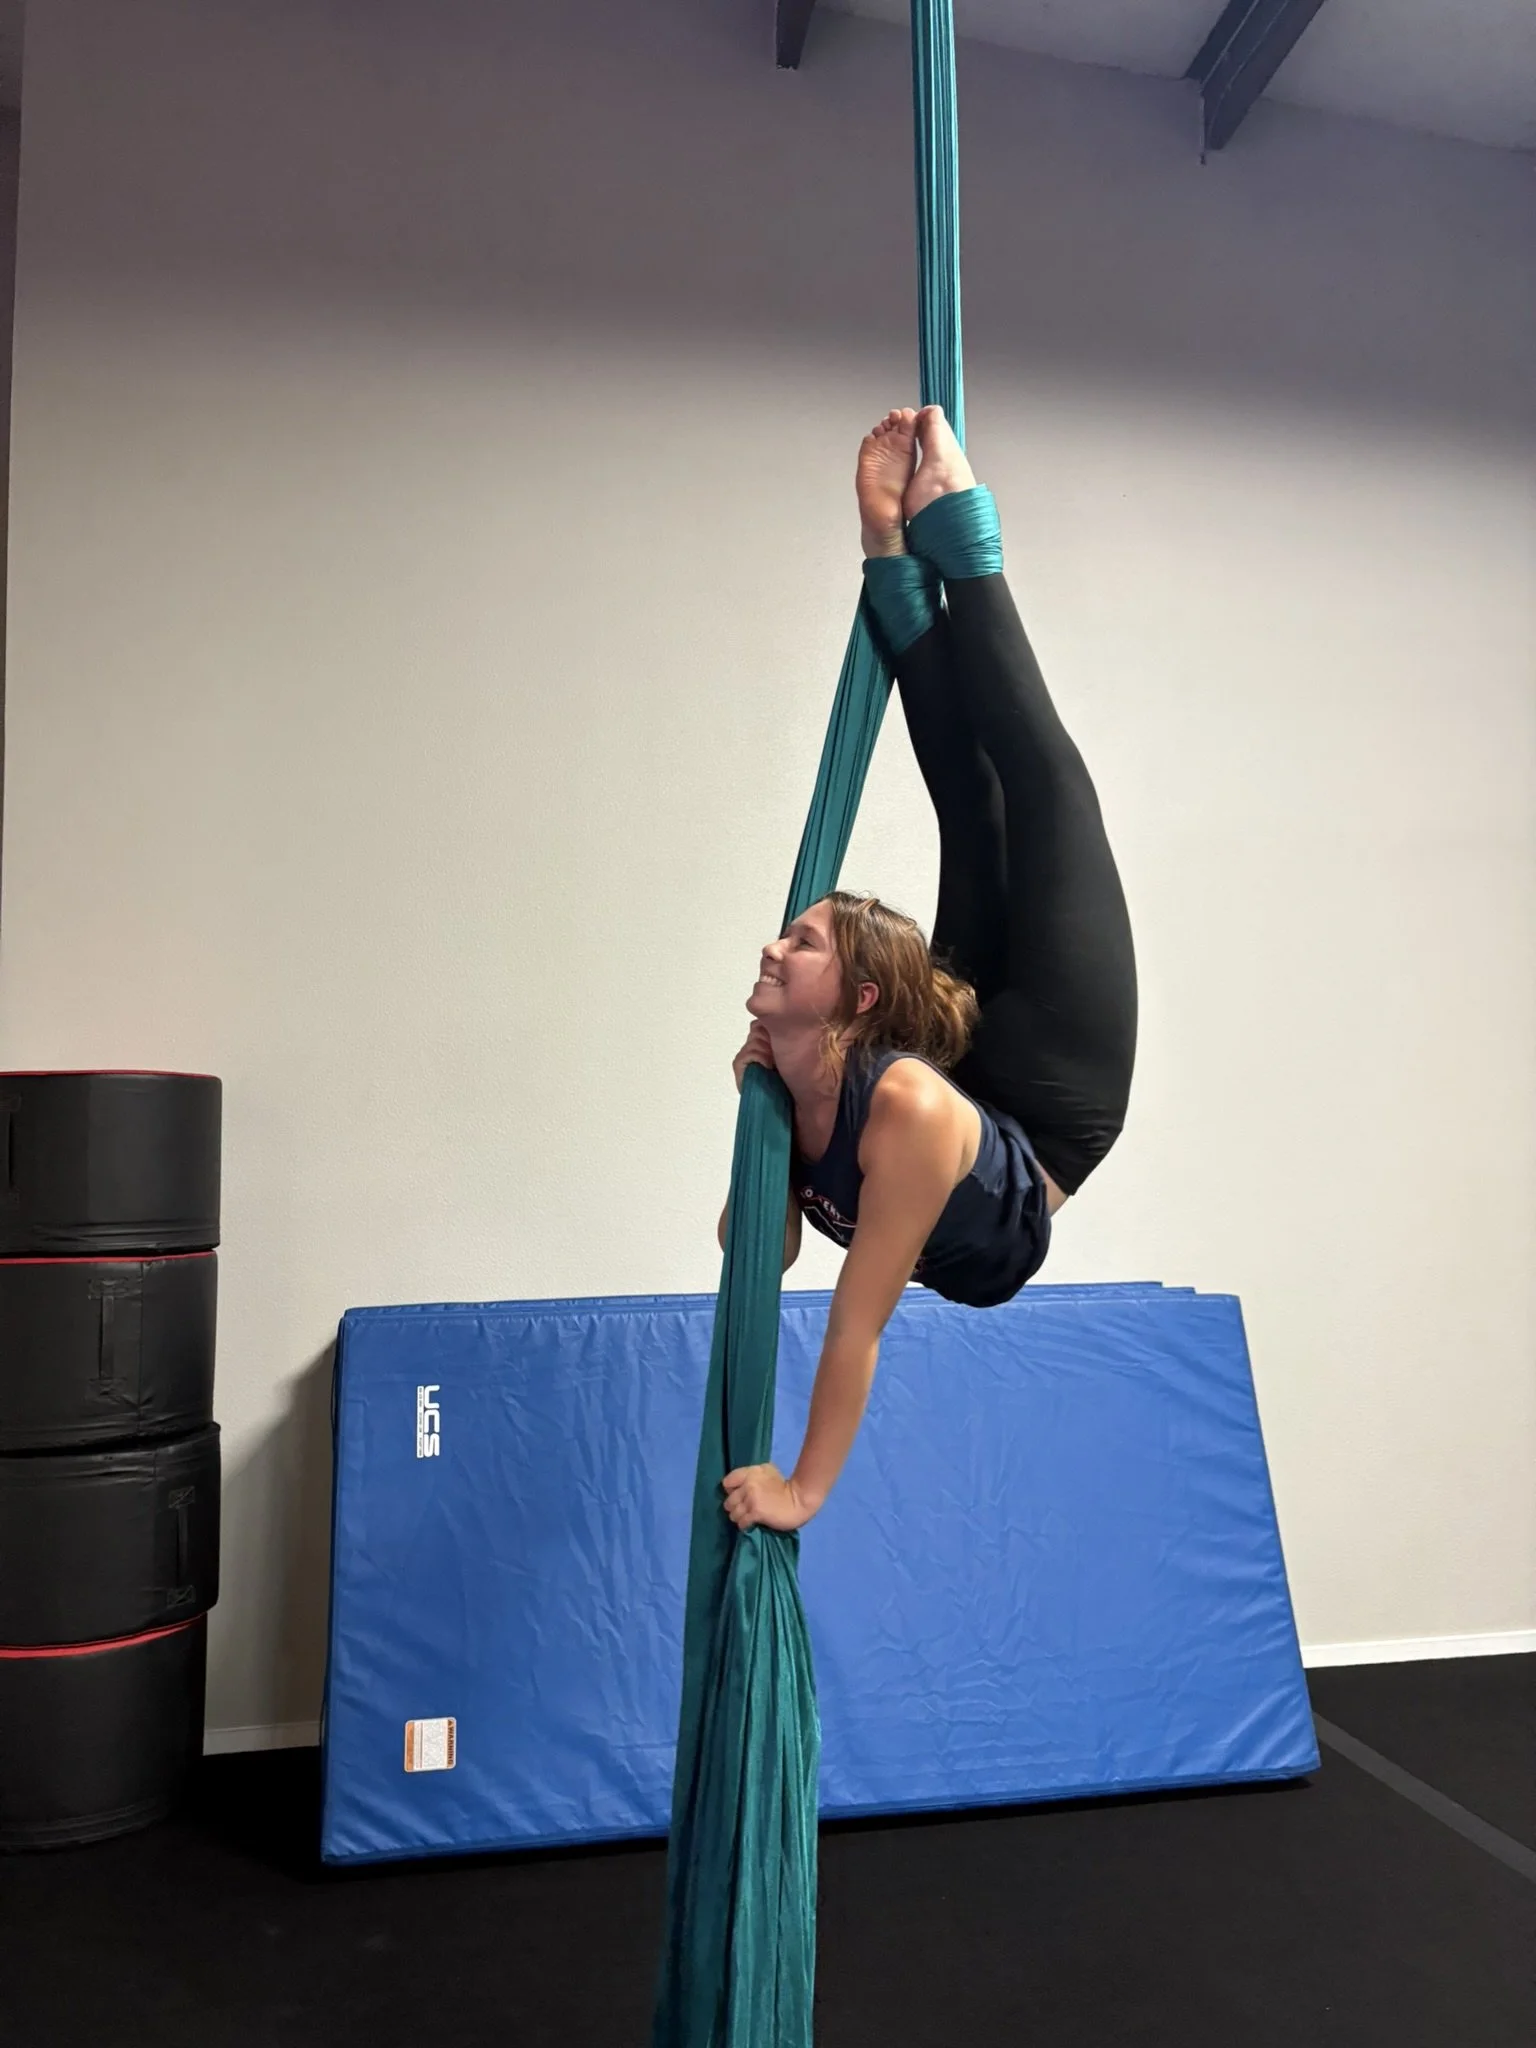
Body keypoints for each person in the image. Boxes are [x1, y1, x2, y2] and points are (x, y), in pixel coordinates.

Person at [720, 405, 1137, 1536]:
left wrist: (800, 1490)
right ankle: (941, 545)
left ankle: (916, 555)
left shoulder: (861, 1086)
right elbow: (812, 1283)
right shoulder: (875, 1095)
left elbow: (813, 1282)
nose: (770, 942)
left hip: (964, 1095)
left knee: (988, 803)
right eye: (795, 934)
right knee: (1038, 798)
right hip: (1052, 1108)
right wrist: (770, 1106)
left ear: (851, 1005)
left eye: (795, 940)